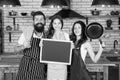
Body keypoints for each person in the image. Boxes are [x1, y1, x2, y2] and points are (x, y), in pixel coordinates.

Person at [15, 11, 47, 80]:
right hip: (25, 68)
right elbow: (15, 49)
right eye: (37, 19)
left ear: (44, 22)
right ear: (33, 22)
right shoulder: (27, 33)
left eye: (41, 19)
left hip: (39, 69)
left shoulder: (47, 37)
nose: (39, 21)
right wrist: (24, 46)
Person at [46, 15, 70, 80]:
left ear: (62, 24)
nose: (57, 25)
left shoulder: (66, 35)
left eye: (59, 23)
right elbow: (46, 52)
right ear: (52, 24)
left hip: (62, 66)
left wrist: (71, 47)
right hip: (51, 66)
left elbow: (68, 51)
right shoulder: (48, 36)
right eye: (55, 23)